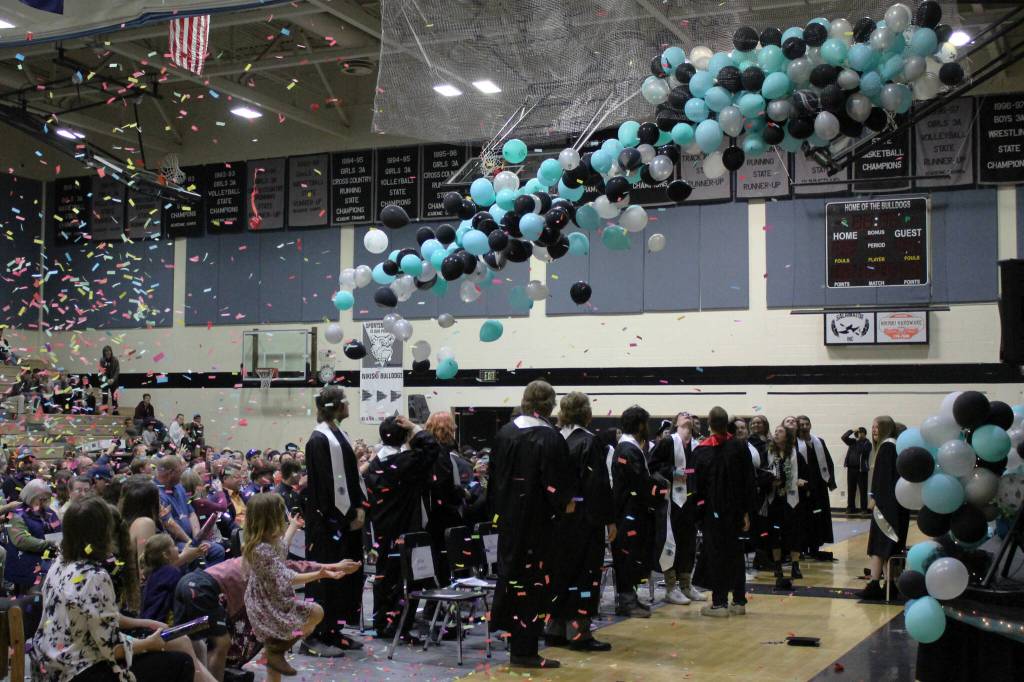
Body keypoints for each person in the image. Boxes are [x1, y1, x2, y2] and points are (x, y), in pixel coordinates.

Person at [30, 496, 199, 682]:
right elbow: (112, 648)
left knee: (175, 646)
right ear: (104, 532)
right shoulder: (94, 575)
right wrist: (149, 643)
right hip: (77, 671)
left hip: (49, 662)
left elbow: (94, 617)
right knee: (181, 662)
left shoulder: (60, 563)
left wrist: (143, 623)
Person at [490, 380, 574, 668]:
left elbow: (495, 481)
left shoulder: (505, 434)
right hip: (538, 527)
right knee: (534, 584)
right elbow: (558, 486)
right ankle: (525, 650)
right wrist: (566, 504)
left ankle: (516, 641)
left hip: (509, 525)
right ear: (550, 405)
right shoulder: (550, 438)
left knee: (511, 580)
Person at [244, 492, 349, 680]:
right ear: (270, 519)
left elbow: (283, 548)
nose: (284, 519)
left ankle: (274, 653)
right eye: (281, 516)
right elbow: (287, 577)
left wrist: (293, 526)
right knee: (315, 612)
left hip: (276, 598)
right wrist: (320, 574)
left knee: (274, 667)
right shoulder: (259, 549)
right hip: (266, 605)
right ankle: (274, 652)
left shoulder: (269, 541)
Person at [545, 392, 614, 652]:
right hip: (584, 522)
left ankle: (554, 628)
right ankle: (579, 632)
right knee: (585, 578)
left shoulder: (553, 439)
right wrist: (609, 520)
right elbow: (597, 486)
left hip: (557, 522)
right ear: (586, 412)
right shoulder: (590, 442)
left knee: (559, 575)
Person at [302, 385, 367, 657]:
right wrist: (349, 515)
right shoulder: (320, 440)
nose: (349, 406)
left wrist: (359, 508)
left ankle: (333, 630)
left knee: (342, 580)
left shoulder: (339, 434)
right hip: (327, 523)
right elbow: (329, 485)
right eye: (346, 402)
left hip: (341, 522)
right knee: (325, 578)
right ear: (337, 406)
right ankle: (312, 636)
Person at [365, 415, 439, 642]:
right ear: (404, 436)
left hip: (380, 530)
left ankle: (382, 623)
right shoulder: (407, 462)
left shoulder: (374, 464)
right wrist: (414, 428)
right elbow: (432, 447)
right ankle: (400, 626)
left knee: (384, 576)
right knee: (405, 578)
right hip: (404, 528)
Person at [693, 407, 757, 617]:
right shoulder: (739, 447)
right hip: (736, 511)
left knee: (716, 555)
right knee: (736, 553)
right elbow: (749, 482)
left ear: (709, 423)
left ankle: (719, 603)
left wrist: (698, 515)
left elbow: (697, 488)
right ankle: (739, 601)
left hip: (713, 513)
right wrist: (747, 512)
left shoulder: (701, 451)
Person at [649, 411, 706, 606]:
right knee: (670, 542)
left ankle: (686, 585)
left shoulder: (699, 445)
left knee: (688, 544)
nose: (688, 416)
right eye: (683, 415)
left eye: (690, 415)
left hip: (690, 501)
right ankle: (671, 587)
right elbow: (652, 465)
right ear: (676, 423)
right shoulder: (667, 442)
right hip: (671, 500)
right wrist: (672, 472)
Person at [611, 405, 657, 619]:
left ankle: (631, 597)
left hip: (632, 512)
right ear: (640, 425)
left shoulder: (628, 447)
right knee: (628, 557)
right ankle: (627, 601)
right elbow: (640, 483)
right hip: (629, 514)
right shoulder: (628, 449)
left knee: (635, 557)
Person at [860, 416, 907, 601]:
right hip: (893, 504)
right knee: (888, 548)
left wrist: (874, 499)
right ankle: (888, 584)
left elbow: (883, 479)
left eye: (876, 427)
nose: (873, 431)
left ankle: (875, 584)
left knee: (881, 546)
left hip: (886, 506)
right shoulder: (892, 446)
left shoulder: (887, 447)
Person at [156, 456, 226, 566]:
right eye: (180, 471)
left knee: (217, 550)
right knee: (199, 557)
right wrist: (191, 543)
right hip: (175, 542)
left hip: (190, 538)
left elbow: (191, 513)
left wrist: (197, 538)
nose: (182, 475)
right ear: (170, 473)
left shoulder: (178, 486)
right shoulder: (157, 493)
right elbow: (170, 524)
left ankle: (210, 578)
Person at [422, 411, 464, 589]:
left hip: (434, 512)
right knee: (443, 558)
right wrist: (460, 494)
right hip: (442, 514)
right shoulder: (440, 454)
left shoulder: (429, 451)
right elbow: (442, 486)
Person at [4, 478, 60, 593]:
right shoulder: (15, 514)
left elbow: (59, 532)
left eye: (48, 499)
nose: (46, 502)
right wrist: (49, 543)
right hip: (26, 566)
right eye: (42, 499)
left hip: (50, 561)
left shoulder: (48, 512)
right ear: (31, 497)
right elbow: (21, 540)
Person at [765, 425, 804, 586]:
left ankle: (795, 565)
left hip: (791, 499)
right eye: (775, 431)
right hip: (775, 499)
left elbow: (805, 474)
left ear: (787, 436)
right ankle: (777, 565)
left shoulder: (796, 454)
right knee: (775, 533)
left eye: (780, 431)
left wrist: (802, 481)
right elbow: (763, 474)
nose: (776, 433)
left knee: (793, 533)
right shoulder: (768, 453)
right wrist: (770, 481)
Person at [795, 416, 836, 559]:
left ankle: (815, 546)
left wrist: (830, 482)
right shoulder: (794, 444)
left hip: (818, 488)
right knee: (804, 518)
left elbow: (828, 462)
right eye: (801, 425)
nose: (805, 427)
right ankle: (801, 547)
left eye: (807, 424)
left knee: (818, 516)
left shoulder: (819, 442)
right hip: (802, 490)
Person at [140, 533, 182, 624]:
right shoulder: (172, 572)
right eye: (174, 546)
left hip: (148, 621)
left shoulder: (153, 573)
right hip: (163, 623)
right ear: (166, 554)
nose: (177, 548)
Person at [842, 427, 872, 514]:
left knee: (863, 490)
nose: (858, 434)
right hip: (851, 469)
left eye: (860, 432)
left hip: (861, 470)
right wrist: (851, 431)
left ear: (864, 433)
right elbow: (843, 437)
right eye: (858, 432)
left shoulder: (867, 443)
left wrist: (858, 440)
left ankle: (863, 509)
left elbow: (861, 450)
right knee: (851, 489)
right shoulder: (853, 441)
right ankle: (850, 508)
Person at [99, 345, 120, 414]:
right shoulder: (102, 360)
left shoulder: (115, 360)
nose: (108, 352)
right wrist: (107, 380)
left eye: (109, 351)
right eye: (106, 351)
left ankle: (115, 410)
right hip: (104, 380)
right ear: (104, 353)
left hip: (113, 380)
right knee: (105, 395)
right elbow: (101, 372)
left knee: (115, 396)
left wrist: (113, 379)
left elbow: (117, 371)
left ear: (111, 352)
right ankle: (104, 410)